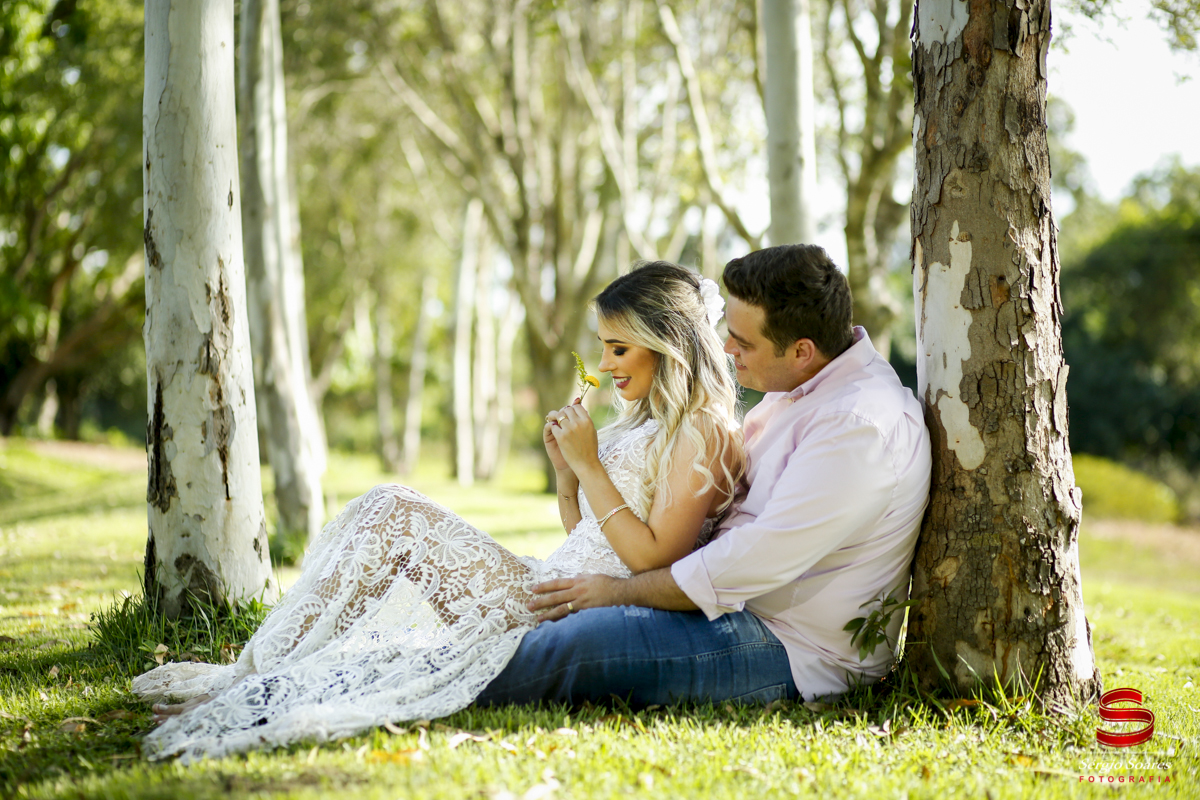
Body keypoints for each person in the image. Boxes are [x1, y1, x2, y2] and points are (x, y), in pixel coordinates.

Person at [132, 261, 745, 762]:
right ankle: (261, 676)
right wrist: (566, 473)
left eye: (619, 348)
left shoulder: (704, 429)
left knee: (392, 511)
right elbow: (587, 532)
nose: (606, 365)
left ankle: (259, 684)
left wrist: (588, 467)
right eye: (604, 348)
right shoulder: (644, 420)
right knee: (384, 512)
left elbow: (654, 557)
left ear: (666, 343)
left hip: (570, 606)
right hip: (556, 580)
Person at [474, 243, 932, 707]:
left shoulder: (858, 425)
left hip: (787, 646)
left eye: (744, 342)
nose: (726, 348)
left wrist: (618, 593)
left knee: (578, 644)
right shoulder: (797, 385)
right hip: (725, 607)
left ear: (801, 350)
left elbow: (755, 558)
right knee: (537, 617)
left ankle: (433, 687)